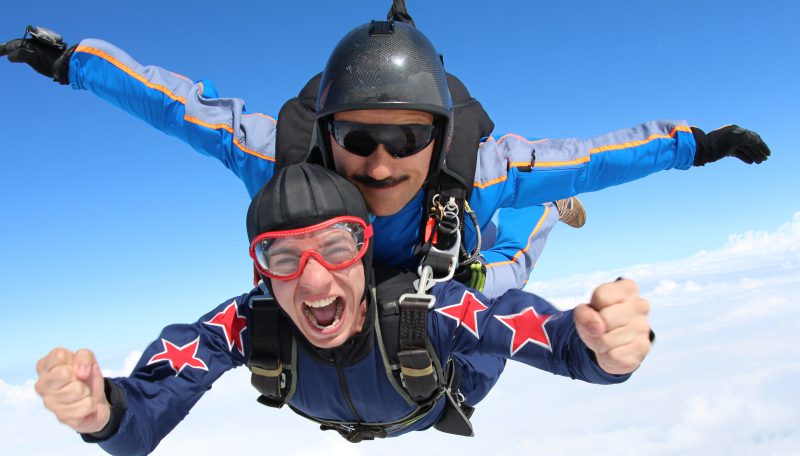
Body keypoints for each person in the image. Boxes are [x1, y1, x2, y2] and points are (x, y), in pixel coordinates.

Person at [1, 19, 770, 296]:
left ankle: (546, 218)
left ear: (439, 136)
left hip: (460, 256)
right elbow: (177, 105)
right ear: (326, 130)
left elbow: (600, 155)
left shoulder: (488, 167)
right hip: (365, 281)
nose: (378, 163)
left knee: (495, 275)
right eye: (359, 137)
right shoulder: (282, 159)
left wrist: (696, 145)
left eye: (406, 139)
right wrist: (71, 59)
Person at [34, 163, 653, 456]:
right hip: (408, 402)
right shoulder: (252, 325)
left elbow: (529, 327)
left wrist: (599, 348)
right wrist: (103, 413)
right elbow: (142, 420)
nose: (313, 277)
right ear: (259, 272)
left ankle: (543, 204)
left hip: (453, 378)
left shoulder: (428, 311)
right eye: (282, 257)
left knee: (505, 265)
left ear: (364, 252)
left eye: (336, 246)